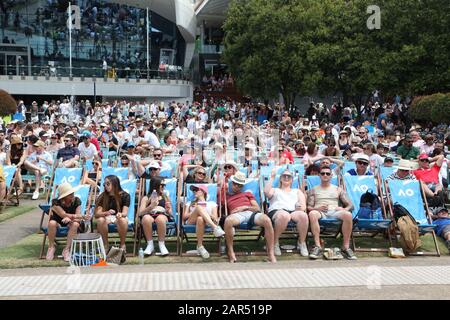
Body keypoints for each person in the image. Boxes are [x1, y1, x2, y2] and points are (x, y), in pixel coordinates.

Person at [224, 172, 276, 263]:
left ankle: (271, 253)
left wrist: (245, 207)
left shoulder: (247, 194)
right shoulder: (225, 196)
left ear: (242, 186)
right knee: (228, 221)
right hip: (237, 215)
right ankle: (230, 252)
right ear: (231, 183)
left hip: (251, 213)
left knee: (267, 220)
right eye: (235, 184)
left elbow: (257, 208)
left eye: (239, 185)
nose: (236, 186)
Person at [307, 166, 357, 260]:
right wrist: (316, 208)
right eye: (322, 173)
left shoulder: (338, 189)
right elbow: (309, 207)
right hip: (320, 211)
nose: (325, 175)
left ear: (331, 176)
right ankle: (318, 246)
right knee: (312, 213)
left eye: (327, 173)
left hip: (334, 211)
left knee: (348, 215)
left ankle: (345, 247)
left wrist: (343, 209)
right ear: (319, 175)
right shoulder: (313, 189)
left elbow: (351, 205)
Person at [264, 169, 309, 257]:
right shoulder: (275, 190)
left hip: (293, 211)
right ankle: (274, 242)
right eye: (284, 176)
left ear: (292, 180)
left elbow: (303, 206)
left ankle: (302, 242)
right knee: (284, 215)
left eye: (289, 176)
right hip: (277, 210)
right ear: (280, 178)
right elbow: (266, 192)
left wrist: (299, 208)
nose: (286, 177)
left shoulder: (297, 191)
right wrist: (272, 177)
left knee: (303, 216)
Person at [46, 183, 88, 261]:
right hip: (57, 221)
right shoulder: (55, 203)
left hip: (72, 222)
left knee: (75, 224)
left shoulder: (77, 201)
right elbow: (63, 214)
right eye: (70, 194)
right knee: (51, 223)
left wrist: (71, 219)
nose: (72, 195)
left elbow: (78, 216)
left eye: (72, 193)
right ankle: (51, 247)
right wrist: (71, 217)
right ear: (64, 196)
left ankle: (66, 250)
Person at [183, 185, 226, 259]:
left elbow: (215, 218)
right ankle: (215, 228)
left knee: (200, 218)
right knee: (199, 208)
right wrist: (196, 210)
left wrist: (206, 214)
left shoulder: (212, 203)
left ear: (203, 192)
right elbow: (184, 216)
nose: (194, 192)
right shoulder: (190, 203)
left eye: (196, 190)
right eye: (194, 190)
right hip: (191, 222)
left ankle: (200, 246)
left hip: (205, 223)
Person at [138, 177, 173, 256]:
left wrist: (168, 210)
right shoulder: (146, 198)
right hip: (149, 215)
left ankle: (161, 244)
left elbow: (171, 214)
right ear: (155, 185)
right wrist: (151, 206)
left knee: (160, 218)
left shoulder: (165, 197)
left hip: (162, 215)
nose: (163, 187)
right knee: (146, 218)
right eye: (162, 185)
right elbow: (140, 213)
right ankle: (150, 245)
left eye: (164, 185)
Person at [94, 175, 130, 252]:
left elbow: (125, 212)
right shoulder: (103, 196)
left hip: (119, 217)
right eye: (104, 184)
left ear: (115, 183)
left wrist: (120, 214)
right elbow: (97, 214)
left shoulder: (125, 195)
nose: (105, 186)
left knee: (122, 220)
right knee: (100, 220)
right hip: (107, 218)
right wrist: (106, 213)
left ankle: (122, 244)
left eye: (108, 184)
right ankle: (105, 245)